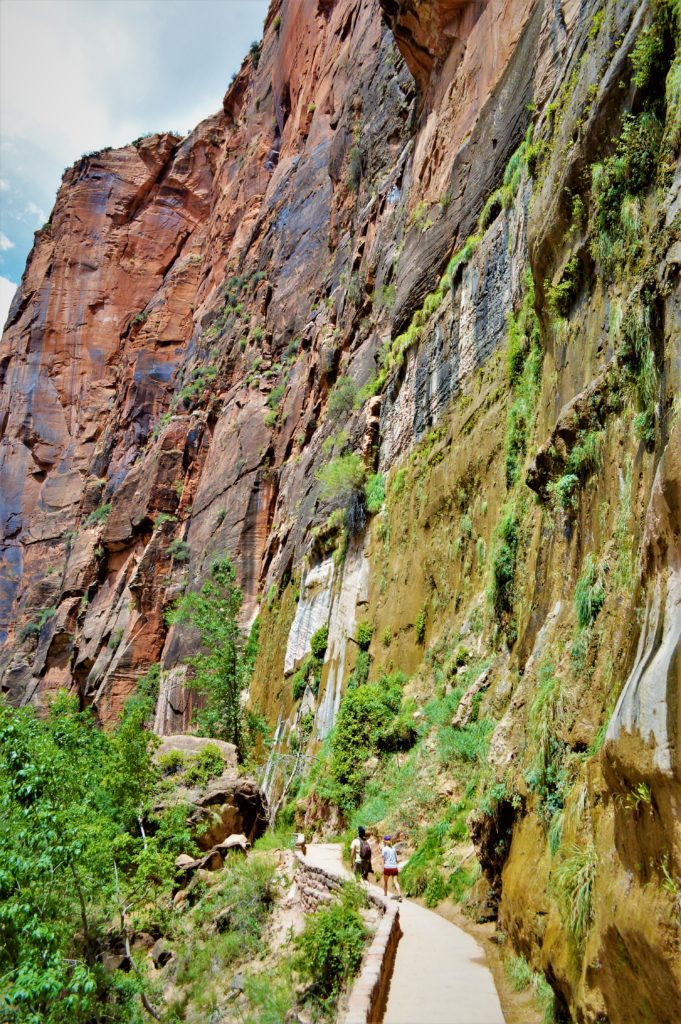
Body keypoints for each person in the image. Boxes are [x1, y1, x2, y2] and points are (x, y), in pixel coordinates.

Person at [380, 835, 402, 900]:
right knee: (395, 882)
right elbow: (396, 859)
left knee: (386, 882)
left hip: (387, 867)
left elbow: (383, 860)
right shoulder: (393, 849)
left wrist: (382, 869)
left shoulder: (384, 849)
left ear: (384, 841)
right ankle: (399, 895)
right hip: (394, 867)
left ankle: (385, 894)